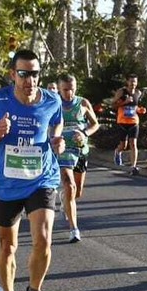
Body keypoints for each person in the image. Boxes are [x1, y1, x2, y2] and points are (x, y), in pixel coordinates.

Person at [0, 50, 65, 291]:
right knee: (8, 246)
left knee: (44, 239)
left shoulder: (51, 100)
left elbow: (57, 121)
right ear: (13, 74)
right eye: (24, 73)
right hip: (7, 183)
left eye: (35, 73)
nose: (30, 79)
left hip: (41, 178)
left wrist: (56, 139)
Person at [55, 74, 99, 243]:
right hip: (63, 150)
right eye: (65, 89)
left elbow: (95, 124)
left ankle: (64, 199)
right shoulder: (54, 104)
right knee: (70, 186)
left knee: (77, 192)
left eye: (72, 89)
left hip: (80, 151)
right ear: (59, 89)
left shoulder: (83, 103)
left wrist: (84, 133)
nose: (69, 93)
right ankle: (74, 229)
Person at [109, 74, 144, 175]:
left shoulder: (138, 93)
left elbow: (135, 107)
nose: (133, 84)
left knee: (133, 144)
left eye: (135, 82)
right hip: (122, 122)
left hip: (134, 122)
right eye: (131, 81)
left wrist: (140, 110)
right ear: (127, 82)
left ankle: (133, 167)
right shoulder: (121, 92)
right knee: (123, 146)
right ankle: (117, 152)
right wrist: (125, 102)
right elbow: (113, 105)